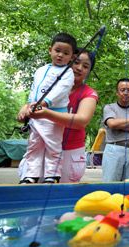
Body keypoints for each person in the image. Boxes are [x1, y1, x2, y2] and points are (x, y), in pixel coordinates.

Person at [19, 49, 99, 182]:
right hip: (40, 149)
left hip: (69, 152)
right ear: (68, 61)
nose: (79, 68)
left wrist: (47, 113)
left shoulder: (89, 93)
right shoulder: (48, 84)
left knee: (59, 197)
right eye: (76, 62)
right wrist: (25, 109)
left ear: (89, 72)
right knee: (29, 193)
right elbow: (31, 103)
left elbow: (81, 121)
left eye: (85, 66)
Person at [17, 33, 77, 184]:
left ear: (72, 57)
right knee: (34, 145)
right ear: (50, 50)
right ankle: (31, 174)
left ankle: (52, 175)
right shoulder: (40, 70)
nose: (60, 55)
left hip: (53, 116)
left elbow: (62, 89)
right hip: (36, 116)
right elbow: (34, 90)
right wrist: (28, 106)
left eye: (65, 53)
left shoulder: (68, 72)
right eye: (57, 50)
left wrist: (46, 102)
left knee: (53, 145)